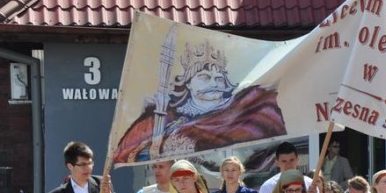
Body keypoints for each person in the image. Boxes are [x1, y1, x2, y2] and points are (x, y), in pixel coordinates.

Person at [112, 40, 287, 163]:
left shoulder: (248, 110)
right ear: (187, 82)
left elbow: (261, 153)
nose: (214, 83)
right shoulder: (162, 116)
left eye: (219, 78)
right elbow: (129, 153)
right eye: (204, 77)